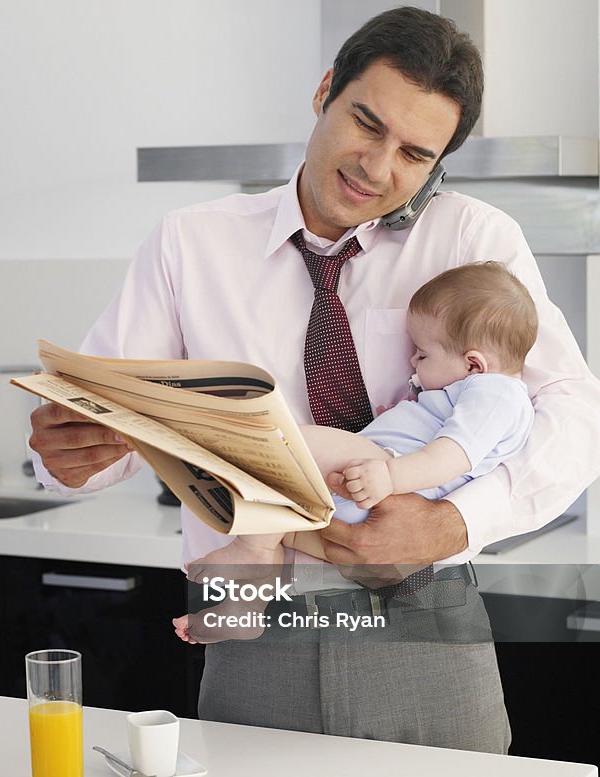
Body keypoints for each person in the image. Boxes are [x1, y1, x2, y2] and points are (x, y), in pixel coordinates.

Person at [30, 7, 600, 752]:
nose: (376, 167)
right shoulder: (189, 242)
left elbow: (573, 410)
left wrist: (453, 521)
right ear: (324, 89)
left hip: (423, 617)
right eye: (365, 123)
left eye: (413, 154)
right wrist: (71, 456)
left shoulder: (472, 238)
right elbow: (110, 434)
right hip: (247, 619)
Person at [174, 260, 537, 644]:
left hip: (386, 478)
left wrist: (390, 475)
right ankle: (244, 611)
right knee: (283, 523)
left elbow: (451, 456)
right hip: (367, 505)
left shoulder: (495, 393)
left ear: (474, 363)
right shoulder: (472, 391)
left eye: (423, 354)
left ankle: (251, 550)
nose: (413, 363)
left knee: (283, 445)